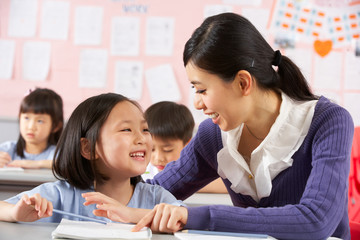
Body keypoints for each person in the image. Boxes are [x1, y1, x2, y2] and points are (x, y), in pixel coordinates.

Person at [132, 13, 354, 240]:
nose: (197, 103)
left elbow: (315, 221)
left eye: (201, 90)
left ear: (243, 83)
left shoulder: (328, 122)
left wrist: (194, 217)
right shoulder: (213, 136)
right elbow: (149, 193)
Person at [0, 93, 182, 223]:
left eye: (145, 129)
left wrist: (139, 216)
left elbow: (185, 218)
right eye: (126, 129)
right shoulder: (61, 195)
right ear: (88, 148)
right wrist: (15, 213)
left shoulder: (157, 197)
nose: (142, 138)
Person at [142, 101, 227, 193]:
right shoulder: (141, 169)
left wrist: (188, 184)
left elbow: (227, 185)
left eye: (167, 150)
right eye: (151, 149)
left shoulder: (199, 165)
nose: (158, 158)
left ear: (188, 144)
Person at [0, 88, 63, 169]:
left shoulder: (57, 153)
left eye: (40, 121)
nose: (31, 127)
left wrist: (36, 164)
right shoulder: (8, 149)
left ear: (55, 126)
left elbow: (66, 165)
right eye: (26, 118)